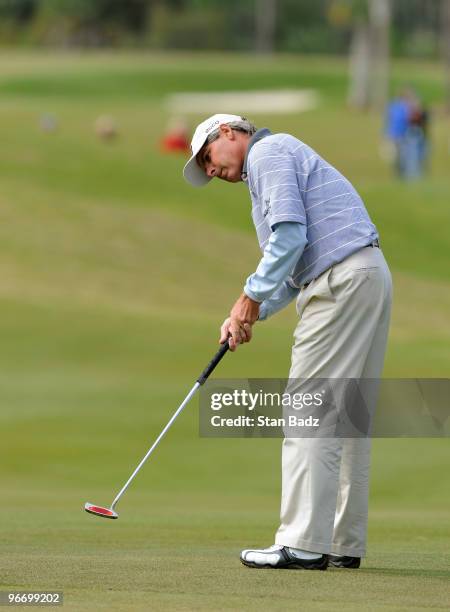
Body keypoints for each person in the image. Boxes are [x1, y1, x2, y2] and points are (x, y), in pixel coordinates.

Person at [183, 114, 392, 571]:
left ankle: (302, 544)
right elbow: (292, 270)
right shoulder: (269, 167)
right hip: (365, 274)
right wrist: (247, 313)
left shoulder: (268, 153)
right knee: (350, 414)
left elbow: (290, 237)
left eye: (207, 157)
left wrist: (248, 297)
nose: (211, 170)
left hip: (340, 282)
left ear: (229, 134)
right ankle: (342, 542)